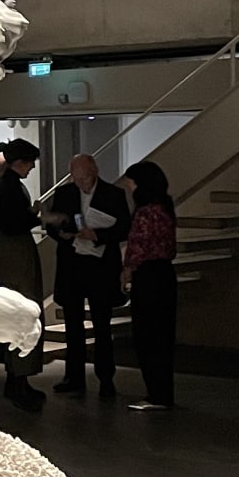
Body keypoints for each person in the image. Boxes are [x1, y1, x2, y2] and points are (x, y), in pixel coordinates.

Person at [43, 153, 130, 399]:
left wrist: (99, 236)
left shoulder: (113, 194)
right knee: (72, 324)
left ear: (95, 172)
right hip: (73, 264)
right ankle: (74, 376)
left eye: (86, 178)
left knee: (102, 324)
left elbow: (124, 227)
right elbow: (52, 225)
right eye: (77, 179)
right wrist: (65, 234)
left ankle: (106, 378)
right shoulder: (65, 194)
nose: (82, 184)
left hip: (100, 266)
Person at [0, 137, 46, 412]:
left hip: (11, 250)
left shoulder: (5, 185)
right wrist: (36, 217)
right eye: (30, 163)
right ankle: (18, 379)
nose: (32, 167)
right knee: (23, 310)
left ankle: (17, 379)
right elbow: (12, 222)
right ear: (20, 162)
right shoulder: (9, 186)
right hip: (15, 252)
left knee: (19, 310)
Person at [121, 160, 177, 412]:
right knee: (163, 336)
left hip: (148, 276)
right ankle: (163, 392)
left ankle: (155, 394)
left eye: (131, 184)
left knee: (147, 336)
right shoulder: (165, 207)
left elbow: (138, 247)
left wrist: (127, 271)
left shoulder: (145, 212)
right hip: (165, 274)